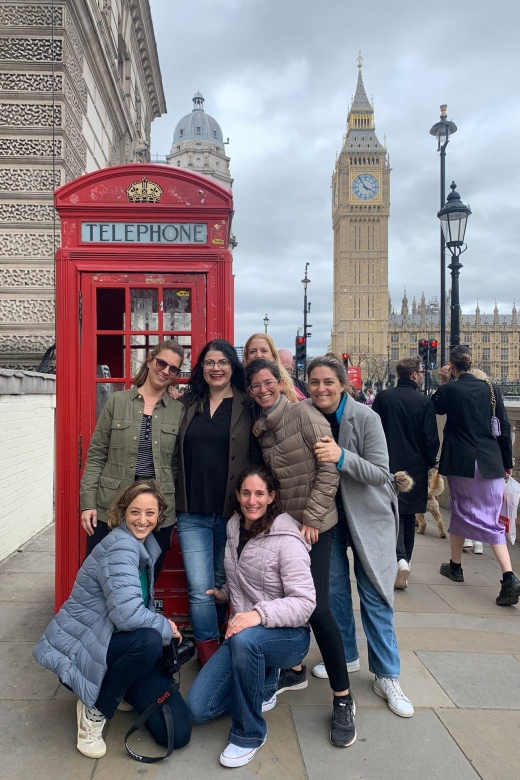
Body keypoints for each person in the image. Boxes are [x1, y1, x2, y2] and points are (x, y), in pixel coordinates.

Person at [33, 480, 191, 759]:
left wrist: (160, 624)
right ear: (123, 512)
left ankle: (118, 683)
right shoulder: (121, 547)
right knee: (150, 640)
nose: (142, 520)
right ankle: (95, 712)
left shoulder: (146, 546)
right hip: (86, 651)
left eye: (150, 513)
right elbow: (127, 615)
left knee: (177, 733)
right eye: (135, 512)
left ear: (159, 515)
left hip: (116, 647)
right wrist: (165, 626)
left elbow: (135, 603)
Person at [245, 358, 356, 748]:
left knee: (318, 608)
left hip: (315, 526)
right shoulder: (260, 430)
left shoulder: (305, 413)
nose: (263, 390)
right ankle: (292, 667)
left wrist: (311, 516)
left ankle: (343, 697)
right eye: (255, 385)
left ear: (280, 382)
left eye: (268, 382)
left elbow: (330, 469)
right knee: (282, 600)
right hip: (284, 530)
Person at [306, 355, 415, 718]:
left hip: (368, 516)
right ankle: (348, 655)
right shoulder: (305, 413)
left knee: (375, 594)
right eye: (314, 382)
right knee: (335, 592)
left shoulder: (366, 417)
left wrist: (340, 457)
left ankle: (387, 674)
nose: (321, 388)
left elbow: (381, 474)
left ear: (343, 384)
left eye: (328, 382)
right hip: (328, 518)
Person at [186, 466, 316, 768]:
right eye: (246, 493)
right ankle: (263, 685)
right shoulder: (234, 527)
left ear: (271, 497)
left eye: (260, 493)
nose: (252, 500)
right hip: (247, 635)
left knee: (246, 639)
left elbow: (305, 602)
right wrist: (225, 593)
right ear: (238, 495)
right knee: (197, 708)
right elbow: (244, 578)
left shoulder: (288, 539)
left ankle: (249, 733)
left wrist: (258, 615)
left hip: (289, 636)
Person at [175, 339, 262, 665]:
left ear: (232, 366)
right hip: (191, 512)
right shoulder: (186, 404)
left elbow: (261, 453)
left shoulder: (247, 404)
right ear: (201, 368)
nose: (216, 368)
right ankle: (208, 651)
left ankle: (233, 642)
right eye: (209, 362)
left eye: (222, 362)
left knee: (229, 586)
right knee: (200, 589)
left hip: (231, 514)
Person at [80, 340, 185, 579]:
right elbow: (96, 455)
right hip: (111, 506)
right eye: (161, 363)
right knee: (98, 577)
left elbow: (177, 465)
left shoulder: (177, 411)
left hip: (156, 512)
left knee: (145, 579)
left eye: (173, 369)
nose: (165, 371)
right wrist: (88, 503)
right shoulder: (117, 402)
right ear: (149, 361)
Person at [432, 347, 520, 605]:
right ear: (472, 364)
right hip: (491, 462)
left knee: (466, 511)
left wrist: (444, 382)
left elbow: (435, 408)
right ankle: (458, 566)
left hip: (462, 463)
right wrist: (507, 462)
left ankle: (507, 578)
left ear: (452, 365)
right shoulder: (492, 389)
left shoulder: (450, 389)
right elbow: (503, 429)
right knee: (485, 515)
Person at [372, 356, 440, 588]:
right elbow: (431, 439)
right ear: (413, 375)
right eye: (421, 372)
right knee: (408, 516)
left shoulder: (383, 398)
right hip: (414, 467)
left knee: (391, 514)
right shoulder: (423, 402)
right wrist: (429, 461)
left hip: (386, 464)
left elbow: (374, 431)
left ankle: (396, 560)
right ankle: (404, 560)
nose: (422, 376)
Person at [243, 333, 299, 403]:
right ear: (246, 357)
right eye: (253, 351)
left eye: (264, 351)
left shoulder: (291, 389)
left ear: (274, 357)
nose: (258, 355)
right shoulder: (237, 387)